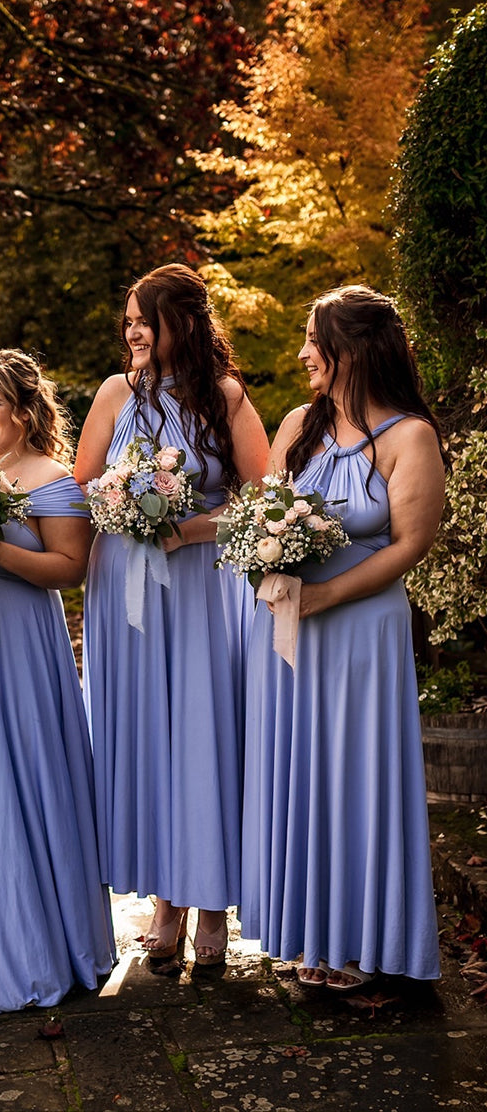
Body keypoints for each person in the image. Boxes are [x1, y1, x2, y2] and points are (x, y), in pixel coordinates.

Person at [241, 286, 445, 989]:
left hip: (360, 632)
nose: (302, 354)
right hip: (291, 629)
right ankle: (309, 931)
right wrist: (264, 571)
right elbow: (263, 517)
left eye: (313, 340)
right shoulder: (299, 423)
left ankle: (362, 940)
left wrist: (326, 593)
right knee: (300, 774)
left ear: (353, 350)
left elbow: (409, 544)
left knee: (353, 775)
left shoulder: (409, 437)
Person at [75, 264, 269, 967]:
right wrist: (122, 500)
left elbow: (260, 501)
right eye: (127, 318)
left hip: (200, 585)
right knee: (147, 737)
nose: (131, 330)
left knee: (200, 733)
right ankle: (165, 899)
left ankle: (211, 902)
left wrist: (189, 528)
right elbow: (81, 486)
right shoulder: (112, 393)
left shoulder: (226, 397)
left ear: (178, 324)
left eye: (142, 318)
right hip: (124, 586)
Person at [0, 350, 115, 1016]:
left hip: (22, 640)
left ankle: (48, 945)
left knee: (28, 774)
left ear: (22, 409)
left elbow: (69, 567)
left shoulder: (52, 478)